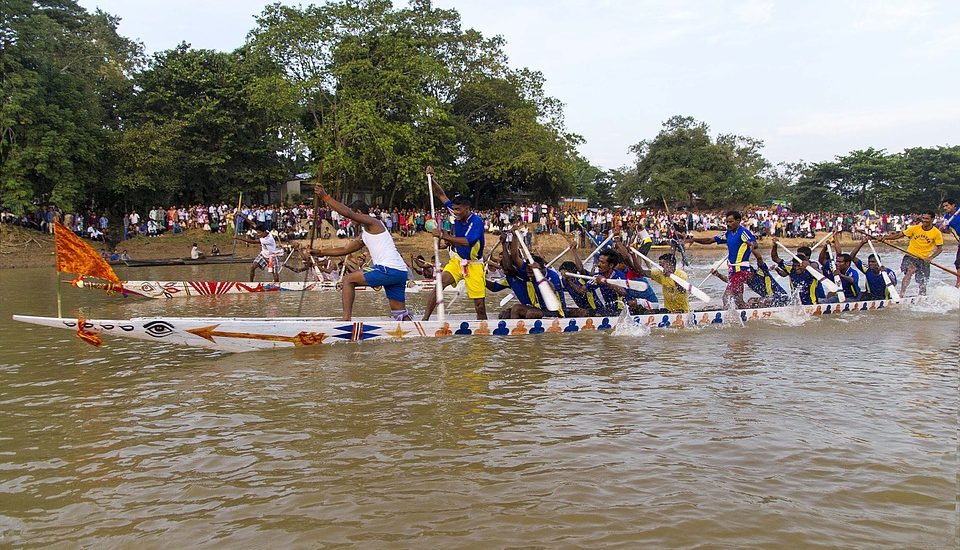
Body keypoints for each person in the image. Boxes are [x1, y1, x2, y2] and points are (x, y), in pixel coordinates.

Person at [303, 183, 411, 321]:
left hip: (388, 269)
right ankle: (419, 332)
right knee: (399, 314)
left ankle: (346, 320)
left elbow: (348, 213)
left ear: (359, 213)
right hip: (400, 272)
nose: (350, 220)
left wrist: (325, 196)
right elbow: (345, 250)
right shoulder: (365, 233)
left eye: (353, 217)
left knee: (348, 280)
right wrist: (319, 251)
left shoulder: (373, 222)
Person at [422, 166, 487, 320]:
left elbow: (467, 242)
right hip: (457, 261)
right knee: (439, 285)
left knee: (479, 306)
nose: (455, 213)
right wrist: (431, 177)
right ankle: (424, 320)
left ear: (467, 208)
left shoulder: (476, 222)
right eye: (454, 209)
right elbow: (439, 194)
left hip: (474, 264)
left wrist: (443, 235)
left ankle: (483, 331)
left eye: (458, 210)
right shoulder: (455, 211)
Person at [686, 210, 763, 308]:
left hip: (741, 270)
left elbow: (755, 244)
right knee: (738, 299)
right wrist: (694, 239)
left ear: (738, 221)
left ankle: (727, 320)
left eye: (730, 222)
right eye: (727, 222)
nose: (728, 224)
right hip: (732, 270)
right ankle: (750, 311)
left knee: (726, 297)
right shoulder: (727, 233)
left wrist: (751, 245)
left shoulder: (743, 232)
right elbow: (710, 240)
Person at [878, 212, 943, 296]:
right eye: (923, 218)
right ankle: (901, 294)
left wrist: (930, 258)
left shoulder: (936, 233)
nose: (924, 220)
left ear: (932, 219)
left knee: (922, 282)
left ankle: (921, 297)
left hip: (924, 259)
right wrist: (885, 238)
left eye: (927, 219)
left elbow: (940, 249)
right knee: (910, 270)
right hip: (910, 255)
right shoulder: (914, 228)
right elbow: (899, 235)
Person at [941, 198, 960, 287]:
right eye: (944, 206)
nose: (945, 208)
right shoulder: (947, 217)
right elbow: (948, 230)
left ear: (953, 205)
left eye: (947, 205)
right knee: (958, 263)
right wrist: (943, 229)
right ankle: (958, 284)